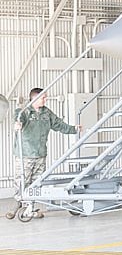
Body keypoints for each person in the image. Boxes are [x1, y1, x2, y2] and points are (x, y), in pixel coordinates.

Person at [6, 88, 79, 220]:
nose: (45, 100)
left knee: (37, 183)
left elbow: (58, 124)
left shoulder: (46, 113)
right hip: (26, 154)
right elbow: (18, 117)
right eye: (43, 98)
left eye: (45, 98)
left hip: (40, 154)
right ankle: (18, 203)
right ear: (34, 98)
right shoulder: (25, 111)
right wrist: (18, 124)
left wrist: (73, 129)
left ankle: (30, 208)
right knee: (22, 181)